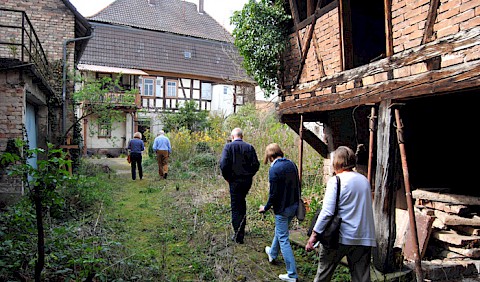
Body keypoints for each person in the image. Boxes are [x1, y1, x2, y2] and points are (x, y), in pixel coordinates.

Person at [305, 146, 376, 282]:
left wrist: (314, 236)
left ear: (336, 162)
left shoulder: (336, 181)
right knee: (361, 278)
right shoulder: (364, 181)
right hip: (363, 237)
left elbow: (327, 212)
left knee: (323, 275)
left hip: (340, 237)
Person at [259, 143, 299, 282]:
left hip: (282, 209)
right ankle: (272, 253)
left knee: (283, 238)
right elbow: (298, 185)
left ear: (270, 156)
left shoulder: (274, 169)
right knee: (280, 231)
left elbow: (273, 193)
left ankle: (292, 274)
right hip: (293, 206)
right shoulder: (291, 164)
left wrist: (266, 207)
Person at [220, 128, 260, 244]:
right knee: (242, 203)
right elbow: (256, 165)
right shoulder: (249, 147)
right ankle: (241, 228)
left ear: (232, 137)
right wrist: (249, 175)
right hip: (246, 181)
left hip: (234, 181)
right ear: (242, 136)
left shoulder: (228, 147)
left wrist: (228, 177)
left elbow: (223, 164)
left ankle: (238, 235)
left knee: (236, 206)